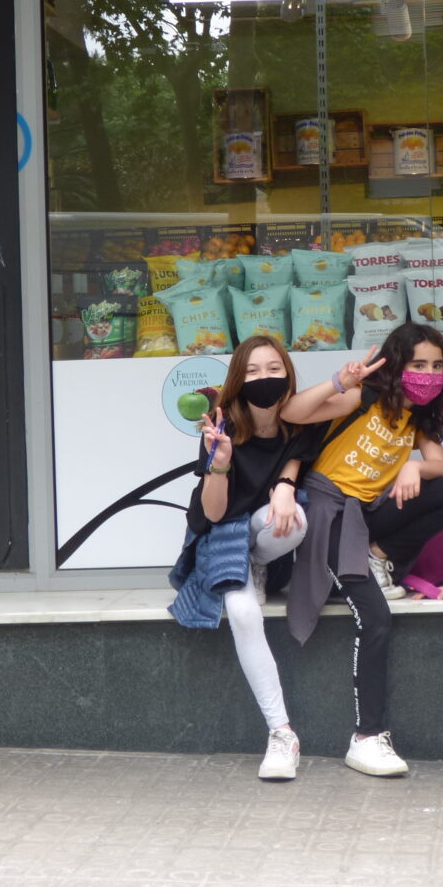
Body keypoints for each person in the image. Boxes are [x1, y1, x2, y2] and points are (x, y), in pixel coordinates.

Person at [280, 322, 443, 778]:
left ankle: (377, 554)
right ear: (397, 365)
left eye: (437, 366)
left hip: (370, 515)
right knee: (376, 619)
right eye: (418, 364)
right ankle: (367, 738)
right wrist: (339, 382)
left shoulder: (418, 418)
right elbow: (292, 412)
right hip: (330, 513)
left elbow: (436, 463)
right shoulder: (363, 397)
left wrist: (414, 467)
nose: (428, 374)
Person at [166, 335, 312, 782]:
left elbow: (297, 458)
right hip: (222, 536)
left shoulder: (300, 423)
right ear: (237, 379)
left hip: (264, 535)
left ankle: (257, 565)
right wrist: (221, 461)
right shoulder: (221, 425)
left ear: (287, 373)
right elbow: (213, 513)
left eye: (273, 368)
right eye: (252, 371)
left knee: (295, 519)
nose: (264, 378)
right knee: (244, 614)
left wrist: (286, 485)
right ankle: (282, 733)